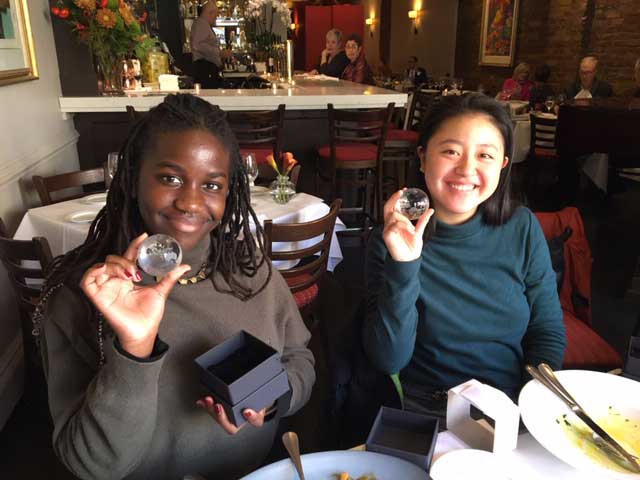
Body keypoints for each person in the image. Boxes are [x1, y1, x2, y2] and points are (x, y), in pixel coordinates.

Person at [37, 94, 315, 480]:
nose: (190, 202)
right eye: (170, 178)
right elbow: (91, 464)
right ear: (133, 179)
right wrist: (134, 349)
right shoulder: (81, 295)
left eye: (212, 185)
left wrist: (272, 399)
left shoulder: (248, 268)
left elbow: (299, 359)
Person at [363, 94, 565, 418]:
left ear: (503, 164)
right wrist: (404, 264)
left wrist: (530, 406)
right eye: (450, 151)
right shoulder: (390, 240)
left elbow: (547, 331)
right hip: (427, 411)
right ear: (422, 157)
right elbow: (389, 359)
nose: (466, 168)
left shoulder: (522, 227)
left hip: (511, 406)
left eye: (485, 155)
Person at [190, 1, 222, 88]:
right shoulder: (201, 24)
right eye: (215, 16)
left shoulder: (203, 25)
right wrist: (219, 53)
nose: (215, 19)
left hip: (207, 68)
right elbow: (197, 45)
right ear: (210, 13)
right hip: (205, 69)